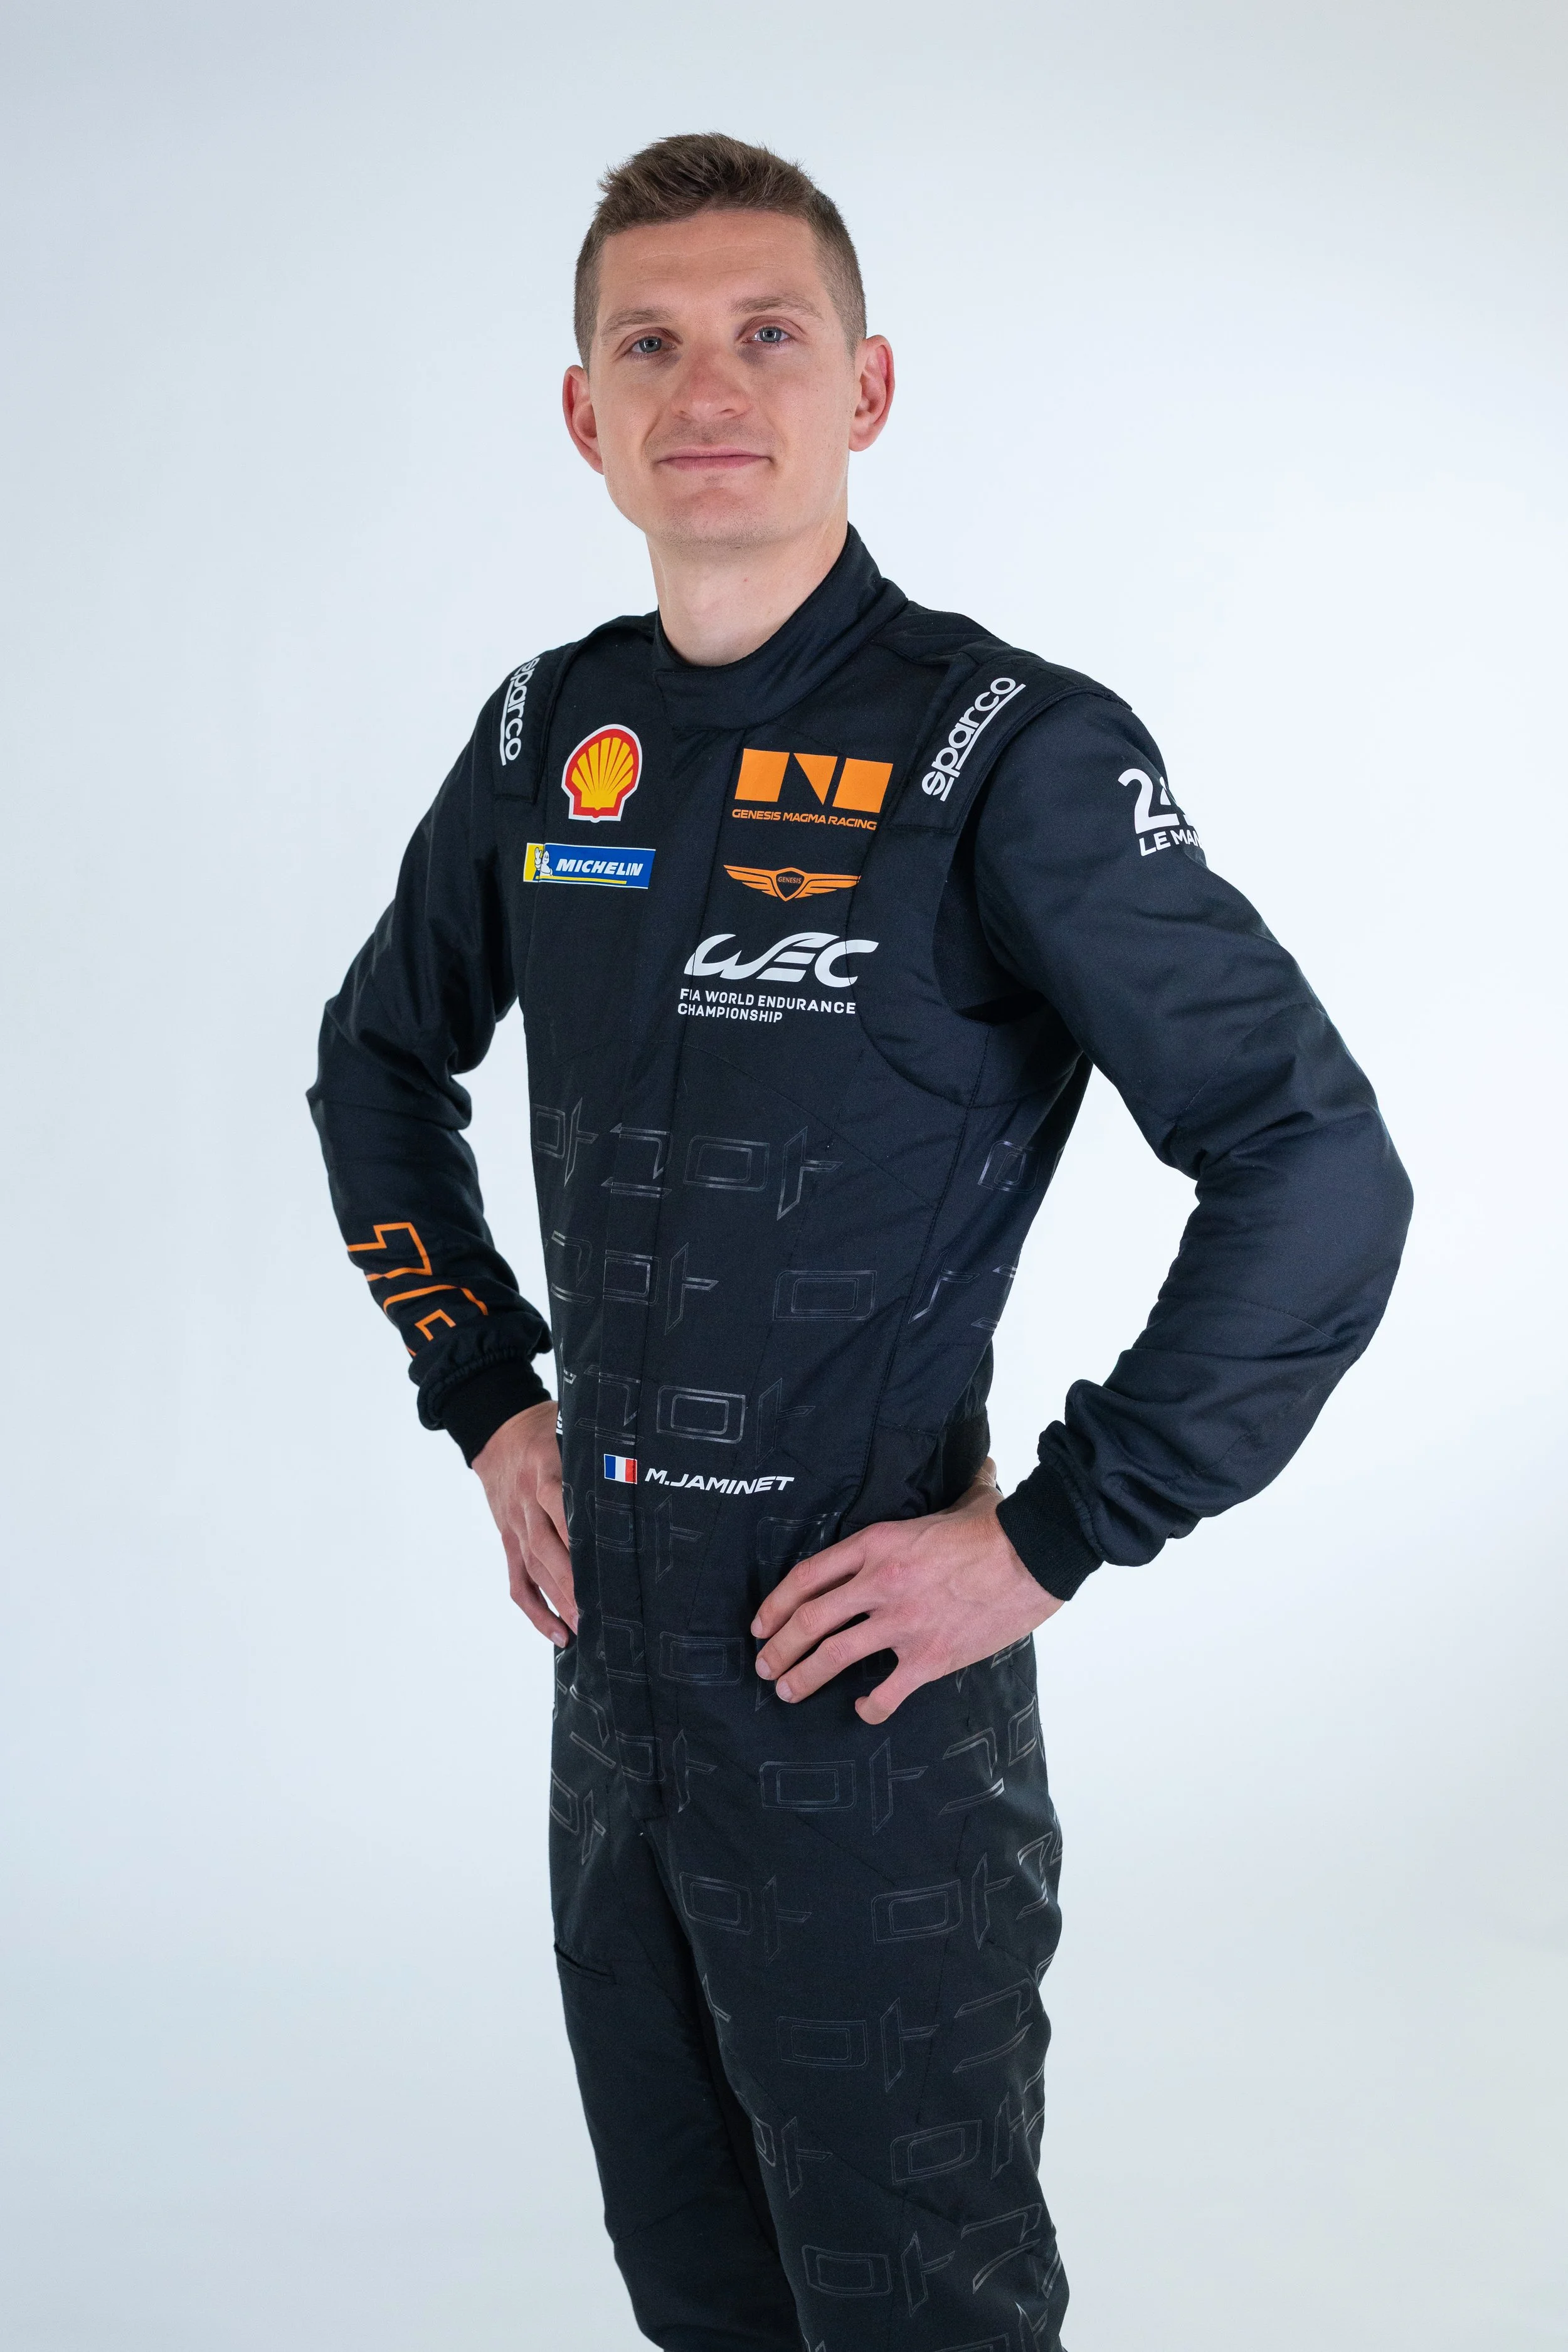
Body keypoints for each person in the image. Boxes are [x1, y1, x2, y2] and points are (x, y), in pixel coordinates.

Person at [309, 131, 1412, 2352]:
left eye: (767, 333)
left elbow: (1314, 1165)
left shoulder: (1006, 750)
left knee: (918, 2313)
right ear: (584, 412)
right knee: (699, 2295)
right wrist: (486, 1392)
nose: (707, 386)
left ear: (867, 387)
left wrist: (1058, 1531)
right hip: (614, 1701)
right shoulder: (547, 735)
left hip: (868, 1700)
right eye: (649, 344)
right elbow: (373, 1069)